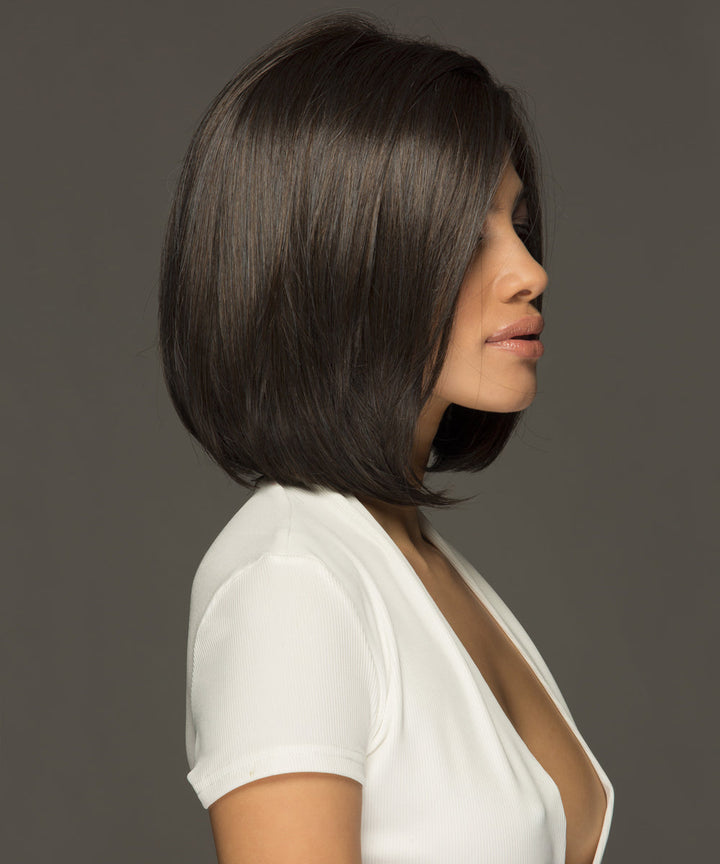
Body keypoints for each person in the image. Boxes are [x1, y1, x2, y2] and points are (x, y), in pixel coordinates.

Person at [158, 11, 614, 864]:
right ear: (341, 259)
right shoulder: (292, 582)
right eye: (467, 235)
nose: (530, 271)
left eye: (516, 224)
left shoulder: (413, 559)